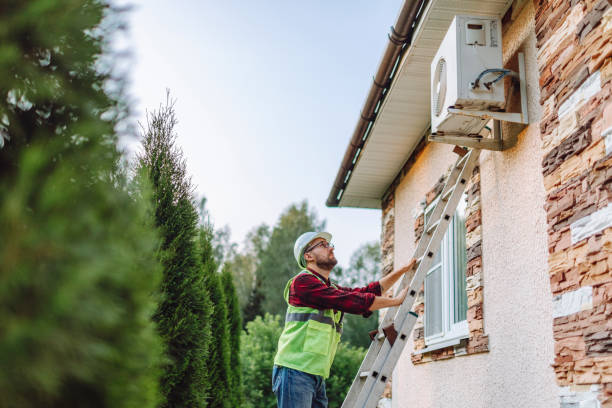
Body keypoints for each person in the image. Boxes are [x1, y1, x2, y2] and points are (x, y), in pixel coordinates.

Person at [272, 231, 416, 408]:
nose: (330, 247)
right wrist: (395, 301)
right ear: (308, 255)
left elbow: (363, 293)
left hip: (316, 373)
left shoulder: (328, 287)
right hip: (295, 371)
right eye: (323, 245)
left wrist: (402, 270)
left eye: (330, 244)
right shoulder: (303, 283)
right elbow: (351, 301)